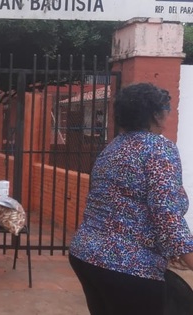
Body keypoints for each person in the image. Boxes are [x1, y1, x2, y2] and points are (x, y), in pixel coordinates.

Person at [69, 83, 193, 315]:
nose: (170, 111)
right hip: (129, 267)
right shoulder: (158, 148)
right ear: (156, 114)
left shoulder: (113, 148)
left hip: (86, 256)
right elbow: (167, 216)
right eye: (167, 107)